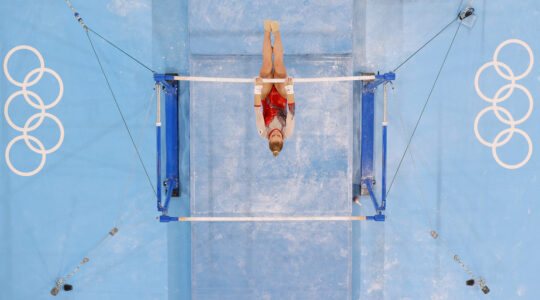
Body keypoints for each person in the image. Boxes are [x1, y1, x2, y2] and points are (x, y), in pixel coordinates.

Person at [254, 20, 295, 157]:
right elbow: (291, 109)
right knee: (278, 67)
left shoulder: (263, 132)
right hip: (282, 96)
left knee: (266, 66)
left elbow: (257, 110)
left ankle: (267, 31)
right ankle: (276, 31)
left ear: (269, 139)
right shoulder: (287, 132)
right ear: (282, 139)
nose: (276, 133)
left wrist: (257, 88)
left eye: (274, 136)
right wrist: (290, 88)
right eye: (279, 136)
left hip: (265, 97)